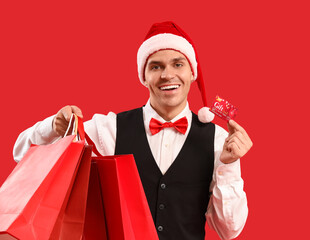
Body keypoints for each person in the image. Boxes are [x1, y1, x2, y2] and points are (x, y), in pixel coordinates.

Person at [13, 21, 252, 240]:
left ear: (192, 73)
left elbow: (229, 231)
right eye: (156, 66)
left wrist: (229, 165)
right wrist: (52, 128)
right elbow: (22, 155)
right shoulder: (109, 128)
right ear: (144, 77)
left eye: (177, 64)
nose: (167, 74)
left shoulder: (219, 141)